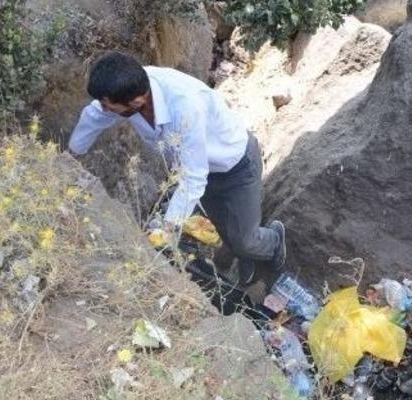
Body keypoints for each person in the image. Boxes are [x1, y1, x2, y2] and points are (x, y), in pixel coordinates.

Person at [68, 51, 286, 285]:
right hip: (200, 169)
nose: (104, 109)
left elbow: (193, 179)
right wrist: (70, 156)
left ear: (137, 102)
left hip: (236, 166)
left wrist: (167, 230)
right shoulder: (130, 87)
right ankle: (246, 252)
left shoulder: (184, 106)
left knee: (245, 240)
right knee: (225, 229)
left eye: (108, 105)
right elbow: (94, 116)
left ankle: (273, 242)